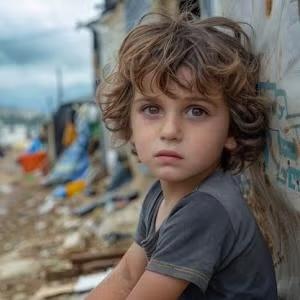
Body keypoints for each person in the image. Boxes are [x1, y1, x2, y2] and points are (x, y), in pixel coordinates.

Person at [87, 11, 279, 300]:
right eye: (152, 109)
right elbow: (127, 275)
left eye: (196, 111)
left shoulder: (205, 210)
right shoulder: (159, 196)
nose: (170, 131)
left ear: (232, 130)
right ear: (130, 122)